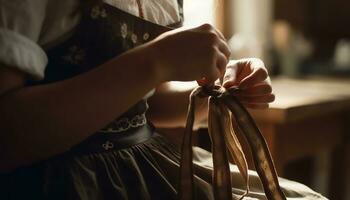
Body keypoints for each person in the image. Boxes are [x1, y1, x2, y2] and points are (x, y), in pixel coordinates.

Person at [0, 0, 326, 199]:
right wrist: (156, 60)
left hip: (149, 167)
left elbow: (149, 105)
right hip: (65, 181)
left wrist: (219, 93)